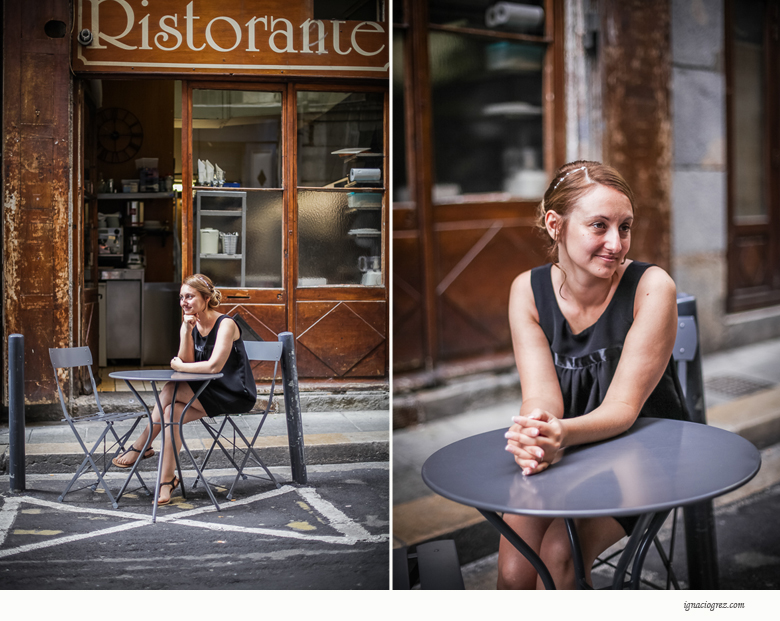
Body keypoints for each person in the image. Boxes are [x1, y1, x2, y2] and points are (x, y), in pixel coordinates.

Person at [499, 160, 688, 589]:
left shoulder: (651, 287)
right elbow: (541, 396)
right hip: (571, 443)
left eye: (624, 227)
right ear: (555, 225)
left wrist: (559, 435)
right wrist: (540, 431)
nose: (615, 243)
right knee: (514, 572)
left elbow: (622, 409)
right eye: (599, 225)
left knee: (558, 554)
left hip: (645, 446)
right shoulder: (527, 291)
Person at [111, 273, 257, 505]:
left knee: (170, 389)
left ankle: (141, 445)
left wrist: (180, 365)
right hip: (208, 393)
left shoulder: (225, 324)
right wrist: (185, 332)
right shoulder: (192, 324)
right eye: (181, 298)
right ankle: (167, 481)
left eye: (190, 296)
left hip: (234, 393)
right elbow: (186, 366)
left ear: (206, 298)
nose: (184, 302)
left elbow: (213, 366)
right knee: (170, 413)